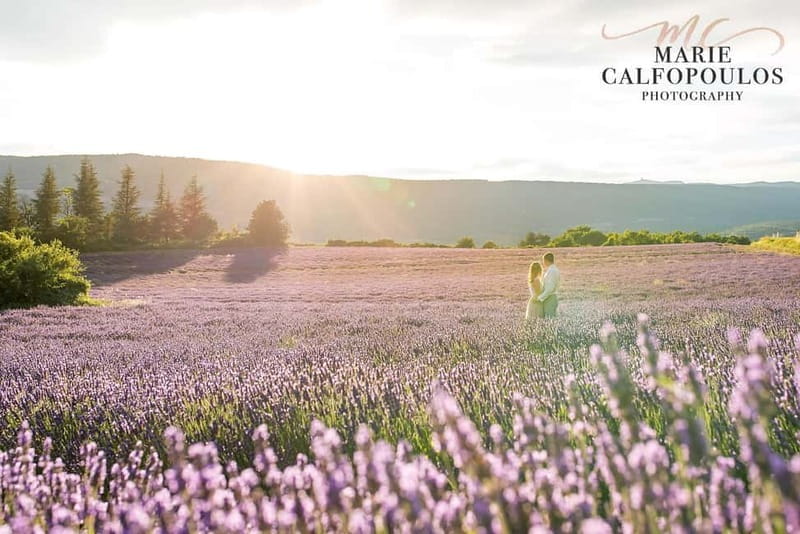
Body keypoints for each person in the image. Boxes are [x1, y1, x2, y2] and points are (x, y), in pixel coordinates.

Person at [537, 253, 560, 318]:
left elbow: (550, 288)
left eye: (543, 260)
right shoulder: (553, 270)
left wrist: (540, 298)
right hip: (550, 297)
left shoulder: (552, 271)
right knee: (550, 318)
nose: (543, 263)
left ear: (546, 260)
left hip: (550, 298)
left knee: (550, 318)